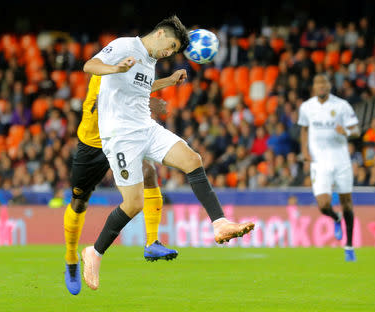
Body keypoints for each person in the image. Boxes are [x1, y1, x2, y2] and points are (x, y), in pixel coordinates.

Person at [80, 15, 254, 291]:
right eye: (171, 47)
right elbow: (91, 65)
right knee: (133, 204)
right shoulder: (125, 46)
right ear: (160, 34)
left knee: (192, 159)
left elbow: (141, 86)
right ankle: (95, 252)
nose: (170, 53)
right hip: (120, 136)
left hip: (145, 128)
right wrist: (115, 68)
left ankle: (219, 223)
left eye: (174, 51)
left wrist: (169, 81)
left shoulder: (150, 61)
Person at [63, 76, 178, 295]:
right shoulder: (102, 73)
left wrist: (169, 81)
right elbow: (107, 102)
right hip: (93, 144)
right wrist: (151, 102)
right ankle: (70, 258)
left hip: (120, 138)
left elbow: (138, 88)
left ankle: (152, 242)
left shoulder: (129, 68)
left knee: (148, 172)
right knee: (79, 202)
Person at [298, 74, 360, 262]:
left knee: (347, 202)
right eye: (318, 83)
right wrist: (304, 151)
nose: (322, 86)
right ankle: (336, 218)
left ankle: (349, 247)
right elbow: (304, 129)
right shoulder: (307, 107)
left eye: (324, 83)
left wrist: (347, 132)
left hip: (341, 160)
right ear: (314, 87)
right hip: (319, 162)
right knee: (323, 205)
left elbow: (357, 130)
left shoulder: (341, 105)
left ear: (329, 85)